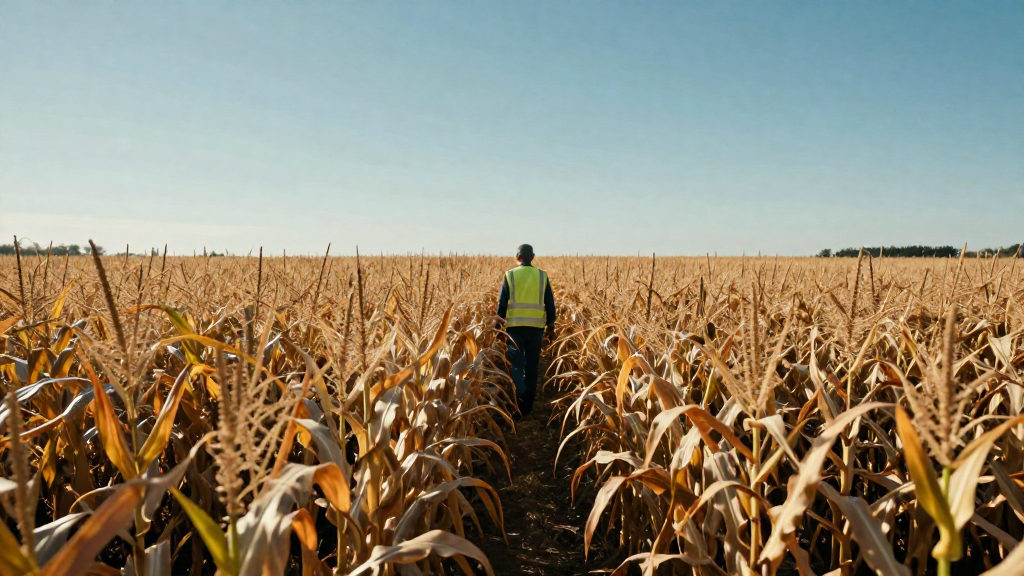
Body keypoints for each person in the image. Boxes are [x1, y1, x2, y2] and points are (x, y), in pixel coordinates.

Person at [496, 244, 556, 416]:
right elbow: (550, 304)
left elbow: (502, 303)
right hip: (536, 328)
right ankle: (528, 404)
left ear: (517, 257)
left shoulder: (510, 275)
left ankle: (519, 396)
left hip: (514, 328)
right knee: (532, 365)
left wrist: (497, 327)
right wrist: (551, 327)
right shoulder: (542, 276)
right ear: (533, 257)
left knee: (516, 365)